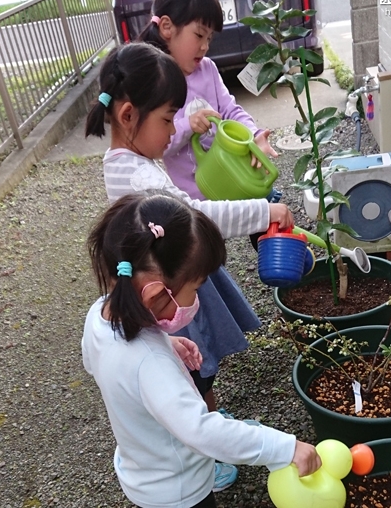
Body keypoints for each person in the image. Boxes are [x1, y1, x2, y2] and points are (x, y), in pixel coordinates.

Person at [85, 42, 294, 491]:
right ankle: (208, 444)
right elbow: (201, 217)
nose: (173, 129)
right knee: (195, 372)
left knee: (193, 368)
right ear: (127, 116)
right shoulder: (139, 177)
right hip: (168, 276)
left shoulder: (128, 162)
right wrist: (265, 212)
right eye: (167, 119)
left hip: (166, 273)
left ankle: (209, 424)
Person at [82, 192, 321, 508]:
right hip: (180, 491)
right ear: (155, 294)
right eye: (194, 288)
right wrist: (284, 448)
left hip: (143, 471)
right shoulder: (149, 363)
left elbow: (100, 364)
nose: (195, 299)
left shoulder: (99, 315)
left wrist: (166, 344)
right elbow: (201, 430)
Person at [137, 0, 280, 201]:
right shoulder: (157, 82)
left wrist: (255, 134)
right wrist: (188, 125)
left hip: (231, 176)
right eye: (199, 35)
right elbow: (157, 146)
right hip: (194, 200)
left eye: (210, 38)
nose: (205, 46)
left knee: (265, 205)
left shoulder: (208, 70)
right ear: (167, 27)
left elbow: (230, 111)